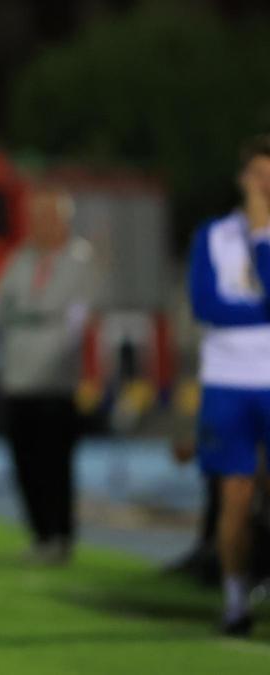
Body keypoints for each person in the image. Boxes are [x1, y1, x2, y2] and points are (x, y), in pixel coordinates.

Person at [0, 185, 95, 566]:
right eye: (35, 217)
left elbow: (73, 313)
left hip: (56, 380)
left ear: (63, 221)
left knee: (56, 462)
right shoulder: (21, 258)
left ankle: (61, 535)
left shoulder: (79, 260)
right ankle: (40, 534)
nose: (38, 225)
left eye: (47, 217)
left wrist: (27, 315)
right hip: (17, 376)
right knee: (24, 461)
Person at [187, 133, 270, 636]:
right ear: (243, 180)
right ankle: (235, 600)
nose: (264, 185)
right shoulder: (214, 235)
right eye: (258, 175)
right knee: (234, 495)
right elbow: (205, 305)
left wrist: (262, 238)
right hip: (227, 381)